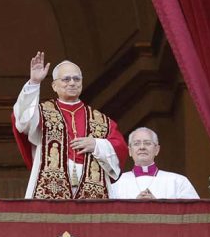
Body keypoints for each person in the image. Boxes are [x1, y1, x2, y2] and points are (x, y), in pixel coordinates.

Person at [13, 51, 127, 199]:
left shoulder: (100, 120)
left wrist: (96, 144)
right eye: (66, 79)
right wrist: (34, 83)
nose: (72, 83)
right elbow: (22, 120)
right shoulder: (42, 112)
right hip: (50, 184)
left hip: (92, 185)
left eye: (76, 79)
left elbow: (121, 148)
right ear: (54, 86)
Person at [109, 127, 199, 200]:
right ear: (130, 151)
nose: (142, 147)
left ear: (157, 150)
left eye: (147, 143)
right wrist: (134, 207)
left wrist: (158, 206)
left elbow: (192, 214)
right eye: (136, 144)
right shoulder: (116, 184)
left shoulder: (178, 181)